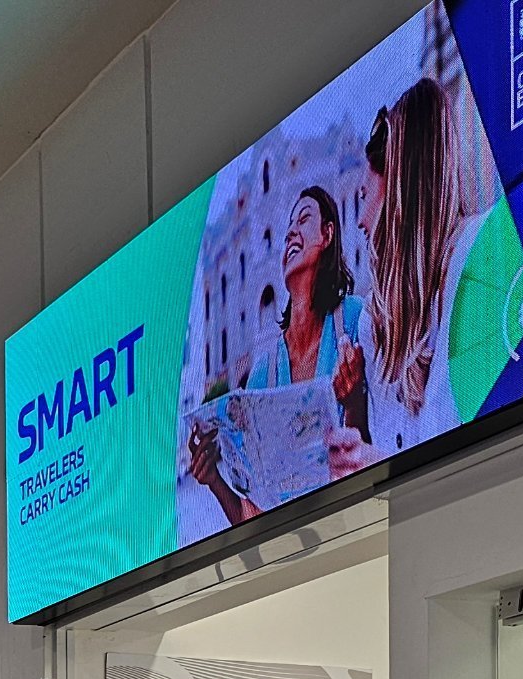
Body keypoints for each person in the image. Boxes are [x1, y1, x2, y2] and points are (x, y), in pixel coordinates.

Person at [187, 184, 371, 525]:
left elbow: (380, 461)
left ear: (328, 234)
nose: (290, 233)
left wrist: (354, 404)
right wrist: (213, 479)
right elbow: (255, 517)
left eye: (303, 220)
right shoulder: (263, 373)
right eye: (288, 227)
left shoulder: (355, 321)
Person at [331, 78, 469, 477]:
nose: (360, 221)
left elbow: (458, 455)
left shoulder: (473, 261)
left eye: (364, 196)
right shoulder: (373, 323)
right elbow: (385, 458)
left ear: (398, 184)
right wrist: (354, 405)